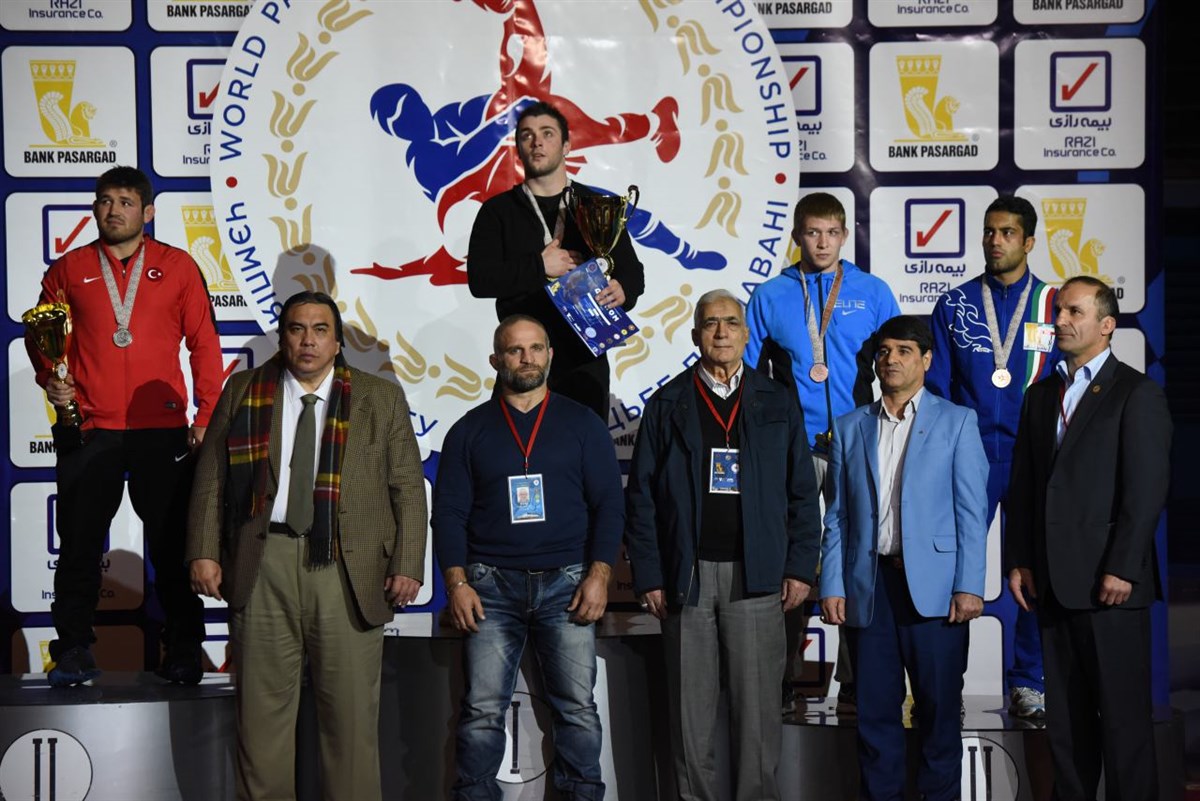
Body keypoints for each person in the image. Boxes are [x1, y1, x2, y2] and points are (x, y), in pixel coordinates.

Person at [186, 291, 428, 801]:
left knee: (351, 726)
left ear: (338, 342)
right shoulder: (245, 390)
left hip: (347, 567)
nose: (308, 340)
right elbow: (211, 479)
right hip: (262, 563)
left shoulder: (380, 397)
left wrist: (408, 563)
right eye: (297, 329)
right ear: (283, 339)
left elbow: (408, 487)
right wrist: (204, 550)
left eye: (320, 330)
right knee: (260, 726)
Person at [25, 165, 223, 687]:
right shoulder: (69, 268)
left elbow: (204, 344)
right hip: (90, 427)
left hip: (162, 429)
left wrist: (206, 416)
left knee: (172, 544)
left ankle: (184, 648)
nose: (114, 211)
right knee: (79, 545)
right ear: (95, 208)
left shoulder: (177, 266)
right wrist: (52, 379)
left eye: (126, 202)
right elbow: (42, 337)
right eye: (105, 201)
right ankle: (73, 649)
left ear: (148, 212)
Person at [625, 289, 823, 801]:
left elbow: (803, 492)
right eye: (711, 323)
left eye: (731, 322)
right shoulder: (667, 403)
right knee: (690, 719)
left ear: (746, 333)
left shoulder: (776, 399)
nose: (721, 332)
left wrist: (800, 567)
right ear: (696, 335)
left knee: (758, 718)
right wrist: (649, 575)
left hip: (756, 576)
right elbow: (641, 498)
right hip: (686, 578)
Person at [433, 314, 624, 801]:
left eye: (536, 348)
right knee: (481, 711)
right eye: (515, 350)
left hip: (568, 585)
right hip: (489, 587)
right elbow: (449, 514)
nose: (527, 358)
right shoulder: (468, 431)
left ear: (551, 355)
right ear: (495, 359)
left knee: (578, 709)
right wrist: (456, 583)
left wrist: (600, 575)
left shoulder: (583, 424)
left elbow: (609, 505)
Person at [1007, 276, 1171, 801]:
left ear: (1106, 325)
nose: (1060, 320)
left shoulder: (1137, 393)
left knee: (1123, 726)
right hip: (1053, 585)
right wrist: (1020, 559)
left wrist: (1123, 566)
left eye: (1074, 312)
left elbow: (1146, 491)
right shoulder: (1039, 396)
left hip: (1110, 587)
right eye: (1058, 310)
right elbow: (1025, 485)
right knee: (1067, 728)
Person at [819, 315, 989, 801]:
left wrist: (969, 584)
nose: (890, 360)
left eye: (903, 351)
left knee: (938, 713)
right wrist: (833, 583)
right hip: (870, 589)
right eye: (884, 351)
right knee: (874, 717)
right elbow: (838, 516)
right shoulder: (849, 427)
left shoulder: (957, 422)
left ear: (926, 360)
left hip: (935, 592)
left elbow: (971, 512)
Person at [745, 191, 901, 709]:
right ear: (797, 235)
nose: (823, 243)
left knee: (858, 558)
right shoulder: (770, 295)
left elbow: (901, 363)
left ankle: (858, 679)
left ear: (844, 235)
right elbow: (749, 378)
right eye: (812, 232)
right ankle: (783, 677)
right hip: (794, 449)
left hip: (857, 442)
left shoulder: (872, 291)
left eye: (832, 233)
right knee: (790, 560)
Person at [927, 195, 1058, 719]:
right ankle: (944, 684)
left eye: (1007, 232)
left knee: (1035, 571)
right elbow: (937, 389)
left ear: (1029, 241)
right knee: (950, 570)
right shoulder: (954, 305)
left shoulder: (1052, 305)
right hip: (971, 460)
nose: (995, 240)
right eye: (989, 231)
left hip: (1033, 461)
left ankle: (1030, 682)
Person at [466, 100, 645, 419]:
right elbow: (480, 280)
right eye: (527, 135)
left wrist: (623, 290)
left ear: (566, 146)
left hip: (584, 355)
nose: (537, 142)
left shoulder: (596, 205)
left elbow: (632, 272)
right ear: (518, 148)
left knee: (583, 446)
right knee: (514, 443)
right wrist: (540, 266)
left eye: (547, 133)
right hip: (523, 358)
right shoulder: (498, 211)